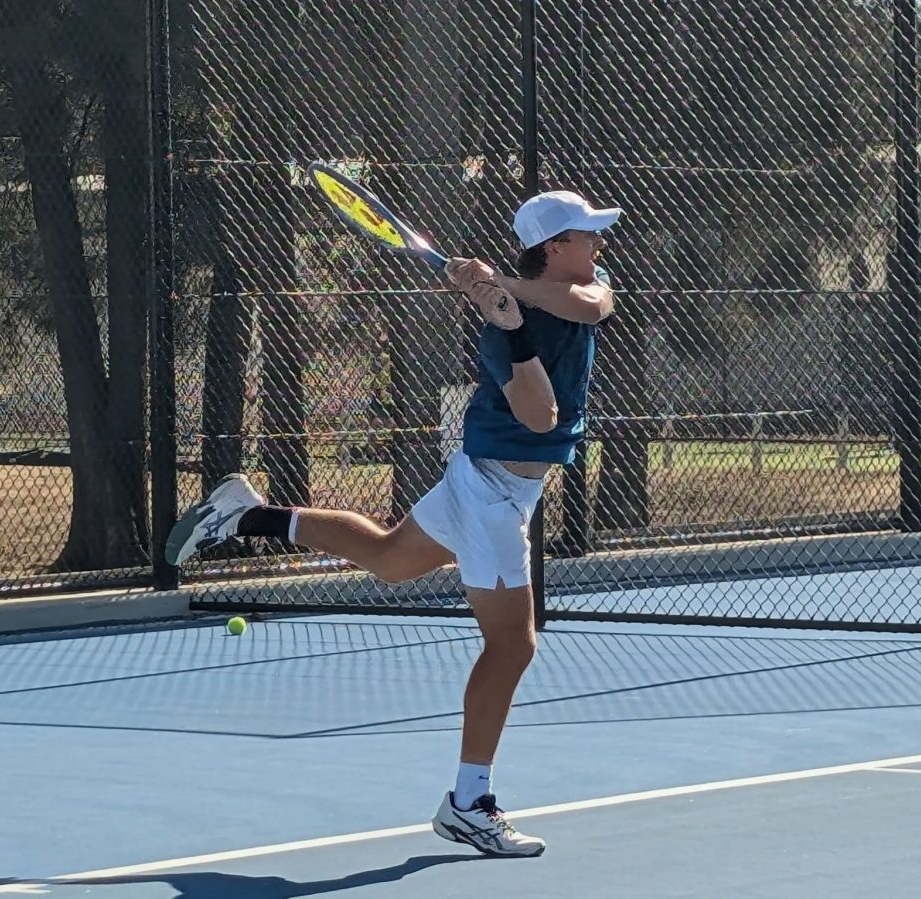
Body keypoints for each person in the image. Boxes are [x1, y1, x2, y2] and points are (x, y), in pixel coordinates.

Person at [165, 189, 622, 857]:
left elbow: (594, 304)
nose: (599, 245)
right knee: (513, 646)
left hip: (486, 484)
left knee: (388, 557)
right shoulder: (503, 332)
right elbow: (540, 417)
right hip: (494, 492)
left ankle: (247, 513)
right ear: (556, 246)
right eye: (587, 235)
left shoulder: (587, 283)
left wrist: (505, 287)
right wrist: (513, 324)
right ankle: (469, 801)